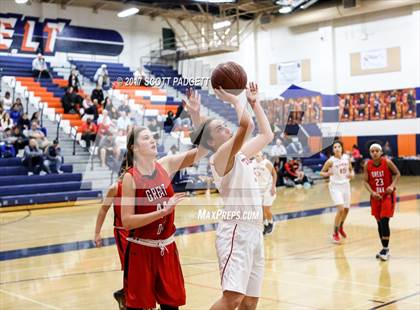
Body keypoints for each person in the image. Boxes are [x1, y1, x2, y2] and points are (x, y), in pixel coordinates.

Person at [190, 83, 273, 310]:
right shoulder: (219, 157)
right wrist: (236, 100)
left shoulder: (241, 155)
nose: (226, 127)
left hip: (255, 230)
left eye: (224, 125)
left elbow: (266, 134)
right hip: (237, 230)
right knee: (233, 298)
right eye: (219, 128)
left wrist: (254, 104)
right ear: (211, 141)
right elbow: (247, 126)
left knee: (250, 302)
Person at [120, 126, 208, 309]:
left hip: (166, 248)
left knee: (171, 305)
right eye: (146, 138)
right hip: (141, 250)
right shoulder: (130, 178)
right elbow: (127, 221)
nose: (152, 140)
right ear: (134, 148)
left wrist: (196, 117)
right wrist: (162, 212)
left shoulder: (165, 164)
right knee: (137, 307)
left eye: (152, 137)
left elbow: (201, 151)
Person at [94, 177, 128, 310]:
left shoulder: (141, 183)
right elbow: (103, 210)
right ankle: (126, 296)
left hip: (138, 230)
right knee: (130, 267)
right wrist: (97, 233)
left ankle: (124, 294)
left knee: (142, 268)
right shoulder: (115, 188)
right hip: (123, 232)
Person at [364, 143, 400, 261]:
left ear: (381, 152)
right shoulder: (367, 165)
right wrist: (372, 192)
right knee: (379, 223)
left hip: (387, 196)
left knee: (385, 221)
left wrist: (392, 185)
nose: (374, 153)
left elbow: (397, 174)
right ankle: (384, 249)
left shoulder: (387, 162)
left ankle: (385, 249)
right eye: (372, 151)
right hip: (375, 197)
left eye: (376, 151)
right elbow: (365, 182)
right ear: (370, 153)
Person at [320, 141, 354, 244]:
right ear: (333, 150)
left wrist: (351, 174)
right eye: (335, 147)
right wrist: (327, 173)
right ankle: (335, 233)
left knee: (346, 210)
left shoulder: (346, 158)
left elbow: (351, 170)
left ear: (342, 148)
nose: (337, 148)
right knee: (340, 209)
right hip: (335, 186)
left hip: (346, 185)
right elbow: (321, 172)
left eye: (339, 146)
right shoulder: (330, 161)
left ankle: (340, 227)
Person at [252, 152, 277, 235]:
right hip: (258, 190)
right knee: (260, 210)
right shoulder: (252, 163)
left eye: (259, 155)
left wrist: (273, 186)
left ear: (262, 156)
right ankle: (266, 225)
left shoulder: (267, 163)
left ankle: (271, 222)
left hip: (268, 189)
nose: (257, 157)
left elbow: (274, 174)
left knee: (266, 209)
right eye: (256, 156)